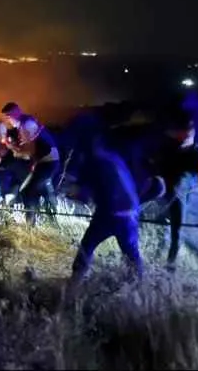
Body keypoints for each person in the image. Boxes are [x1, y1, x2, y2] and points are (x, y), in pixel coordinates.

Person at [64, 116, 143, 284]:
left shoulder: (91, 162)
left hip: (109, 214)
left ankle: (73, 286)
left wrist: (72, 192)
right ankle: (140, 289)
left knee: (86, 247)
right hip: (131, 214)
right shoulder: (113, 158)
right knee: (132, 255)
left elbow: (82, 195)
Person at [147, 112, 198, 269]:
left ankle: (170, 266)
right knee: (161, 229)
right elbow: (157, 166)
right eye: (181, 135)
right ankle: (154, 256)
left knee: (178, 233)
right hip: (163, 192)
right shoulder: (171, 147)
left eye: (187, 136)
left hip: (183, 197)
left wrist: (184, 191)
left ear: (193, 134)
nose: (183, 139)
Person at [0, 102, 60, 227]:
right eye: (6, 117)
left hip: (48, 162)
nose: (8, 119)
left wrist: (14, 149)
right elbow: (31, 148)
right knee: (39, 189)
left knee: (28, 191)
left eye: (9, 116)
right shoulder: (25, 123)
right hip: (45, 161)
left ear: (16, 113)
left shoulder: (26, 125)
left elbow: (29, 151)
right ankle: (52, 222)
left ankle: (31, 225)